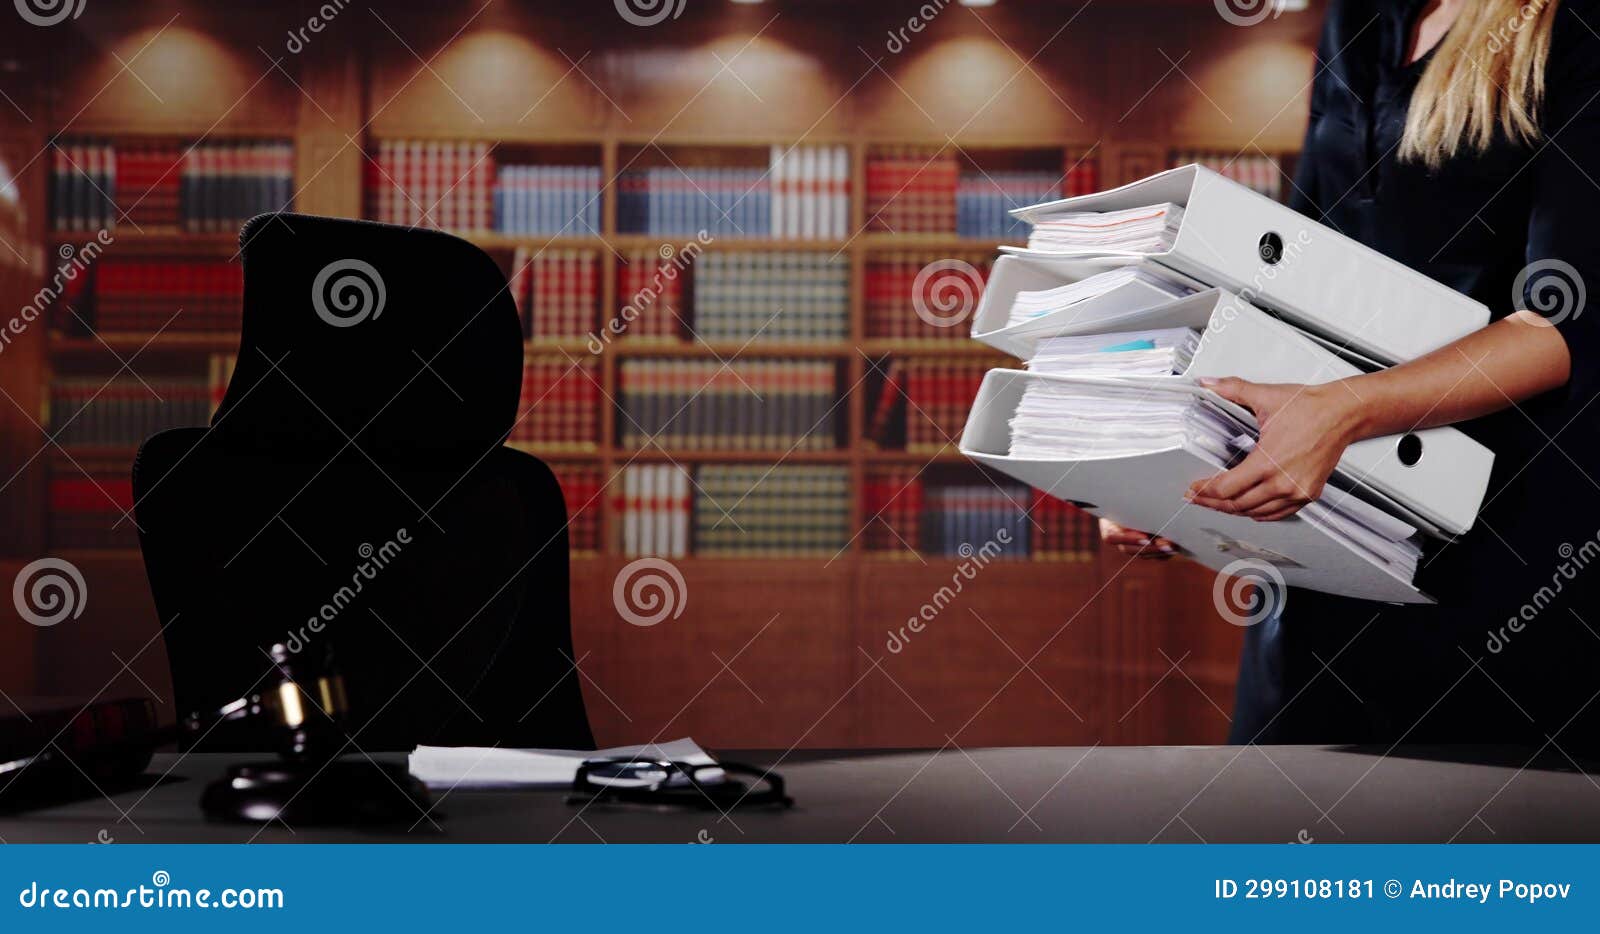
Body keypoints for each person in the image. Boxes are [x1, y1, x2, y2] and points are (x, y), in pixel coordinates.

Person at [1107, 0, 1600, 747]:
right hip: (1331, 535)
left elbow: (1560, 327)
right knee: (1283, 825)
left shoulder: (1574, 28)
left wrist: (1345, 412)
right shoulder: (1361, 21)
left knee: (1464, 834)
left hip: (1504, 543)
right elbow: (1287, 272)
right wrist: (1177, 454)